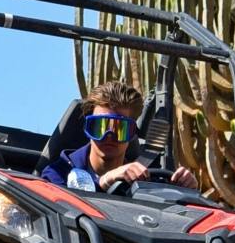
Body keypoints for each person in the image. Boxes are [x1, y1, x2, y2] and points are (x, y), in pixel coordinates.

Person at [41, 79, 198, 193]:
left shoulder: (146, 182)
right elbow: (58, 208)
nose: (109, 136)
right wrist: (103, 181)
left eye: (119, 129)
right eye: (100, 127)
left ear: (132, 134)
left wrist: (187, 188)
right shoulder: (57, 174)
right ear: (87, 128)